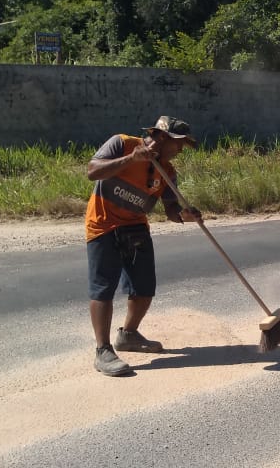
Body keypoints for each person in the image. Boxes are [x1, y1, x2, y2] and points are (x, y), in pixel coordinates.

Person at [85, 116, 201, 376]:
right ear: (161, 137)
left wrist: (185, 215)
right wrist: (132, 159)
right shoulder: (122, 144)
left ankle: (129, 335)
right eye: (178, 144)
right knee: (103, 288)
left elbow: (171, 210)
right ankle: (103, 350)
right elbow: (93, 171)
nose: (180, 150)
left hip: (136, 226)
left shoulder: (167, 171)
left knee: (144, 289)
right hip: (103, 225)